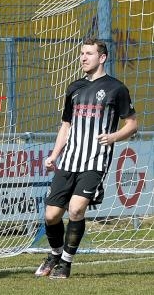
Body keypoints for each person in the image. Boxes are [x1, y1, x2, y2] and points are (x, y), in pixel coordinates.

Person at [35, 37, 138, 279]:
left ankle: (66, 264)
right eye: (82, 53)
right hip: (69, 159)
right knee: (51, 215)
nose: (83, 57)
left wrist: (113, 137)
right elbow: (66, 125)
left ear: (102, 58)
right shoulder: (74, 88)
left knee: (77, 209)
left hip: (95, 160)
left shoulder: (116, 88)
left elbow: (132, 124)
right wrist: (54, 154)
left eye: (89, 53)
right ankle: (54, 254)